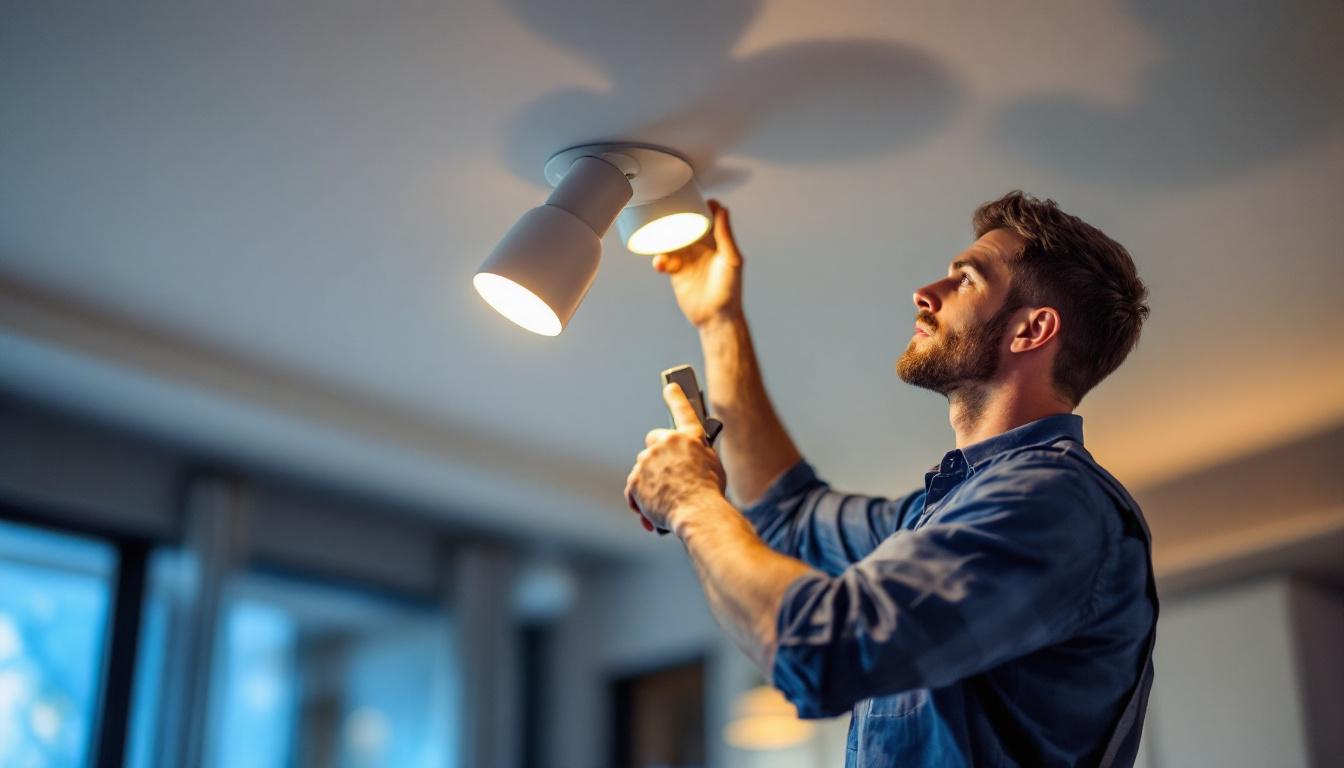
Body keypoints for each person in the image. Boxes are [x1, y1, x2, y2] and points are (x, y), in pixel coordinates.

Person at [623, 191, 1157, 767]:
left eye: (966, 280)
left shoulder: (1054, 504)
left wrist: (690, 500)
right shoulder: (941, 517)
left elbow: (821, 651)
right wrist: (718, 319)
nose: (925, 294)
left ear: (1031, 330)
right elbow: (788, 516)